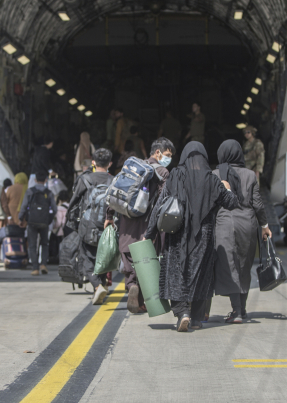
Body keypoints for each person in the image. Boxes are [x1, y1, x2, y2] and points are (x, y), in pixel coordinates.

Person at [144, 142, 240, 332]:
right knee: (200, 276)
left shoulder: (176, 176)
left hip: (177, 234)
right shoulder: (212, 180)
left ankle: (182, 313)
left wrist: (150, 233)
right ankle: (196, 318)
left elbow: (160, 205)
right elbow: (232, 203)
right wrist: (227, 188)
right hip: (204, 237)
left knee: (176, 274)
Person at [104, 137, 175, 314]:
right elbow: (163, 201)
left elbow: (116, 191)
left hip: (126, 223)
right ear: (157, 152)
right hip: (147, 225)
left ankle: (131, 286)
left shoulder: (133, 167)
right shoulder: (163, 172)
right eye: (167, 154)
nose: (168, 158)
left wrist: (109, 216)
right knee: (146, 259)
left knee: (128, 255)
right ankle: (140, 296)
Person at [213, 140, 272, 324]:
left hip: (224, 222)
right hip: (248, 223)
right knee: (244, 266)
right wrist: (264, 225)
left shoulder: (215, 174)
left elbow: (211, 202)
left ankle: (236, 311)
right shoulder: (250, 175)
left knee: (229, 266)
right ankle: (242, 309)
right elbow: (258, 204)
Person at [68, 148, 114, 304]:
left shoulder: (85, 179)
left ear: (93, 162)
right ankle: (101, 284)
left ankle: (97, 286)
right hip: (108, 225)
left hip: (88, 225)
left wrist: (72, 222)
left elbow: (74, 202)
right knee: (103, 256)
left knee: (86, 257)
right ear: (110, 164)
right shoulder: (113, 181)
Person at [19, 172, 57, 276]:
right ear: (45, 180)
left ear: (35, 180)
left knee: (32, 244)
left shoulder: (30, 192)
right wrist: (49, 218)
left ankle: (35, 268)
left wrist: (20, 218)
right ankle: (43, 264)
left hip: (32, 221)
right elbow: (54, 209)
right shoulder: (48, 193)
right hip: (44, 222)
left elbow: (24, 206)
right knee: (44, 243)